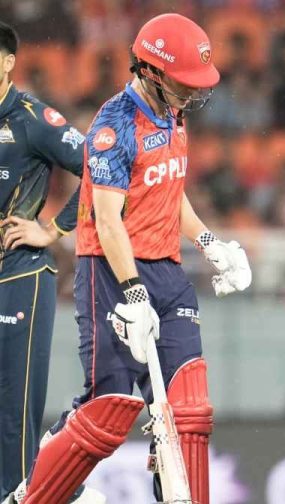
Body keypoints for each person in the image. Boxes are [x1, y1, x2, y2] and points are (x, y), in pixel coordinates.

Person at [10, 13, 251, 504]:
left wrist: (211, 246)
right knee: (109, 409)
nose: (191, 95)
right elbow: (106, 219)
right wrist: (134, 293)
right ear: (151, 71)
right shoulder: (113, 125)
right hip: (111, 275)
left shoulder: (173, 111)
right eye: (183, 84)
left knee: (190, 413)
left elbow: (169, 187)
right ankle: (32, 496)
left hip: (168, 271)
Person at [0, 21, 90, 502]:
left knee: (14, 406)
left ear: (8, 62)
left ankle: (28, 494)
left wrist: (52, 229)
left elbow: (98, 167)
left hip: (21, 276)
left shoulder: (32, 118)